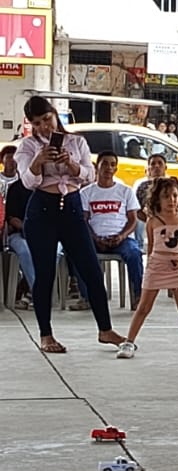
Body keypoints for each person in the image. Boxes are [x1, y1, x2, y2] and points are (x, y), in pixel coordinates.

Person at [14, 96, 124, 356]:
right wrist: (38, 161)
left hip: (72, 207)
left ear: (55, 114)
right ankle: (45, 334)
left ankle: (105, 329)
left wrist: (71, 164)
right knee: (45, 274)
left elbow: (89, 175)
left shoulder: (77, 142)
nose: (44, 127)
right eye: (37, 123)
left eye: (47, 119)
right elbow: (28, 182)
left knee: (92, 270)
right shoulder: (27, 146)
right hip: (42, 210)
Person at [115, 177, 178, 359]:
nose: (171, 200)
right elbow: (151, 248)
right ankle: (129, 342)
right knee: (143, 307)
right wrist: (150, 267)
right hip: (156, 267)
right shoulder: (153, 221)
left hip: (176, 268)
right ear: (158, 199)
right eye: (166, 196)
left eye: (174, 196)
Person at [77, 152, 144, 308]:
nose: (109, 168)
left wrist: (121, 236)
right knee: (78, 253)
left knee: (134, 253)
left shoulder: (126, 191)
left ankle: (138, 296)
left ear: (116, 169)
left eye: (113, 164)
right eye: (105, 164)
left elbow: (133, 220)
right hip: (95, 238)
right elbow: (83, 220)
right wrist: (95, 238)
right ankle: (87, 298)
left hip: (121, 238)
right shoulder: (86, 193)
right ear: (97, 167)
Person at [3, 166, 34, 304]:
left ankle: (27, 288)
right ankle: (37, 292)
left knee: (53, 252)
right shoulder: (16, 188)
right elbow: (11, 218)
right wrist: (28, 230)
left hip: (45, 234)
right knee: (25, 250)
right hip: (19, 234)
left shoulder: (47, 187)